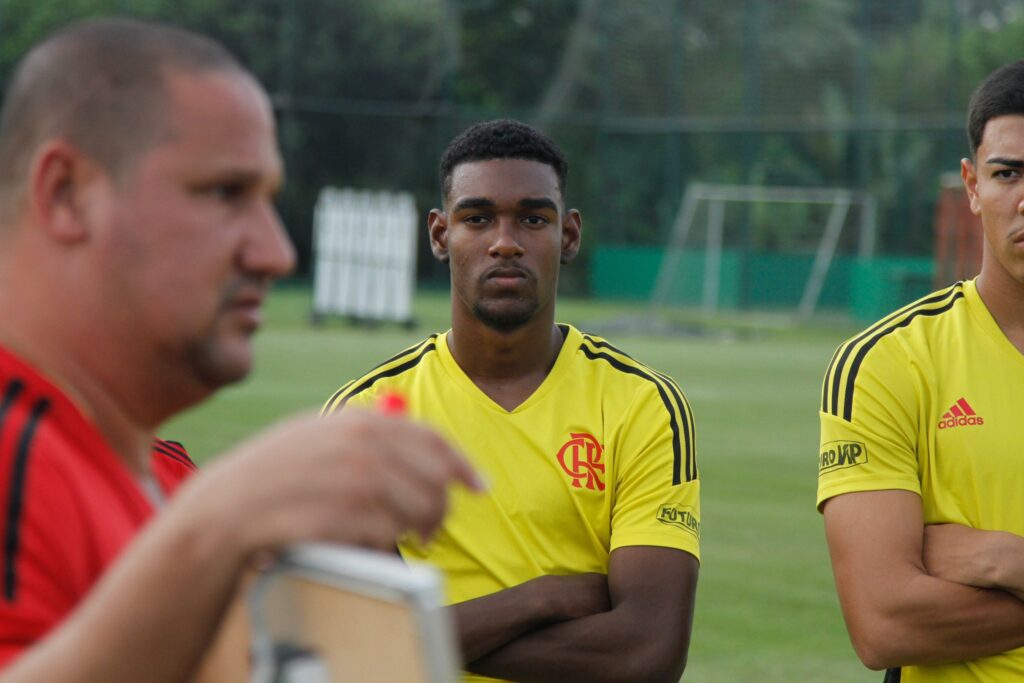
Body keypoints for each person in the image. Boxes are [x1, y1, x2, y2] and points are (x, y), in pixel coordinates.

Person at [0, 17, 479, 682]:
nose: (276, 252)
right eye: (226, 193)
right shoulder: (17, 458)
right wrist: (220, 521)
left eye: (268, 199)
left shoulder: (156, 476)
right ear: (66, 194)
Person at [323, 119, 700, 682]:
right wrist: (541, 599)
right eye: (477, 218)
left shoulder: (642, 404)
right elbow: (360, 645)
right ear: (439, 233)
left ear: (568, 235)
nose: (505, 241)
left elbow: (647, 654)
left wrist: (416, 636)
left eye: (532, 218)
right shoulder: (366, 416)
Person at [818, 60, 1024, 682]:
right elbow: (884, 625)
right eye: (1007, 173)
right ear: (970, 185)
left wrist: (997, 558)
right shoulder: (885, 363)